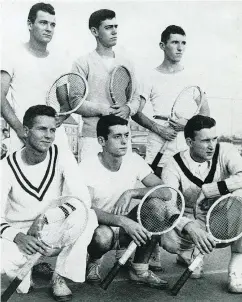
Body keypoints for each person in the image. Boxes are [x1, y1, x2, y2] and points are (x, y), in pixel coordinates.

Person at [1, 105, 98, 301]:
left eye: (52, 130)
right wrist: (18, 236)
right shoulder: (5, 167)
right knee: (4, 261)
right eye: (42, 129)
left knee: (89, 216)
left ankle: (59, 276)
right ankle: (28, 267)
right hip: (21, 233)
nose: (48, 135)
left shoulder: (62, 155)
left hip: (50, 227)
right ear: (26, 131)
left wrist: (46, 217)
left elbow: (82, 199)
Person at [78, 114, 171, 289]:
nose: (124, 142)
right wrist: (123, 221)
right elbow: (86, 209)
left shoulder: (134, 160)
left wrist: (132, 192)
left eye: (126, 135)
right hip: (98, 230)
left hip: (126, 231)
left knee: (157, 206)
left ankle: (140, 270)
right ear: (102, 140)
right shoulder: (87, 167)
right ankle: (94, 261)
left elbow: (166, 192)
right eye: (117, 136)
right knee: (102, 236)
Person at [160, 115, 242, 293]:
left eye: (214, 138)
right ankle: (187, 251)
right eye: (205, 141)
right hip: (190, 223)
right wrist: (189, 226)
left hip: (221, 218)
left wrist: (210, 190)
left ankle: (237, 266)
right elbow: (168, 207)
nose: (212, 145)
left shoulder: (226, 150)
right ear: (189, 142)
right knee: (168, 236)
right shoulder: (172, 165)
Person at [133, 25, 210, 177]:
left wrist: (188, 125)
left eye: (183, 43)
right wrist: (158, 129)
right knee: (159, 193)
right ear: (162, 46)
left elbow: (205, 113)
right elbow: (135, 112)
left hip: (185, 145)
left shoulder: (193, 76)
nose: (180, 48)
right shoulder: (149, 77)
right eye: (175, 42)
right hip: (158, 143)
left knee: (186, 190)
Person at [1, 2, 71, 155]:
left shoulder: (59, 61)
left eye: (52, 25)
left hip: (53, 136)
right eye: (43, 22)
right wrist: (19, 128)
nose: (48, 28)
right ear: (30, 24)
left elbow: (65, 103)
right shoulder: (12, 54)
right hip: (22, 136)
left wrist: (63, 116)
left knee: (67, 177)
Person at [71, 9, 140, 161]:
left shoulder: (127, 63)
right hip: (92, 138)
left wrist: (128, 108)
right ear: (94, 31)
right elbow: (75, 102)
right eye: (108, 27)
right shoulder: (82, 63)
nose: (114, 31)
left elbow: (135, 98)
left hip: (122, 137)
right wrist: (104, 110)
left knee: (123, 183)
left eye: (116, 27)